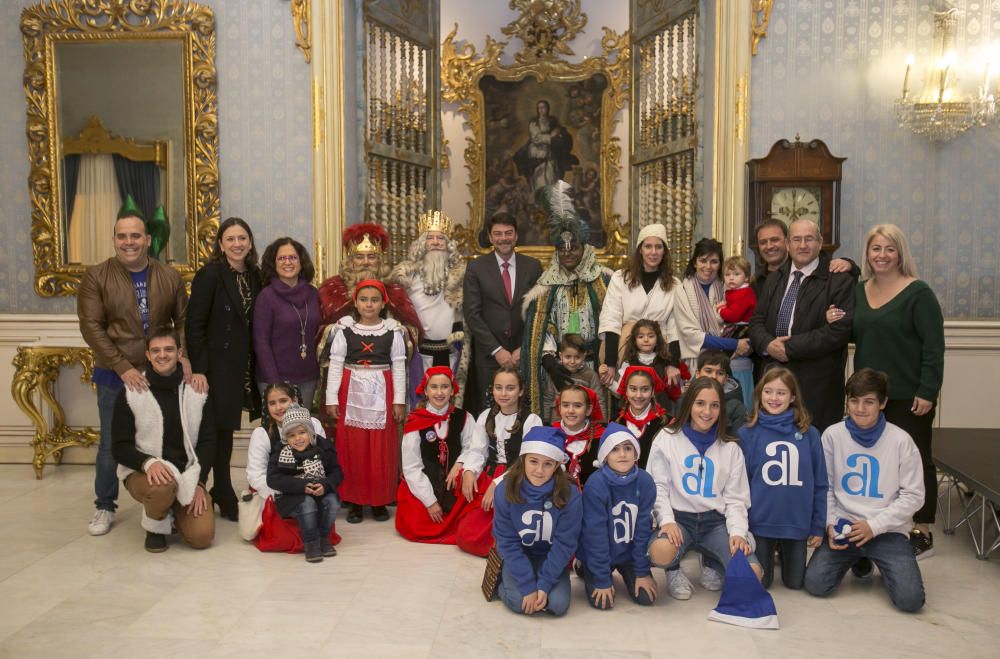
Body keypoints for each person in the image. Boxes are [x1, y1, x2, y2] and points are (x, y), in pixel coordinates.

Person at [827, 224, 944, 558]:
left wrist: (928, 390)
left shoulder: (919, 293)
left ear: (900, 254)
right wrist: (833, 318)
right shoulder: (860, 291)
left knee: (917, 460)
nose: (882, 255)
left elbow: (934, 347)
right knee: (876, 461)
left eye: (889, 249)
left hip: (910, 394)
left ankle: (921, 528)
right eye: (876, 249)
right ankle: (881, 527)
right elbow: (855, 332)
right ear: (867, 254)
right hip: (869, 396)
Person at [78, 208, 192, 536]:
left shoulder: (168, 276)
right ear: (114, 240)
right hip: (115, 375)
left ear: (148, 239)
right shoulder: (96, 276)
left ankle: (164, 499)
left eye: (135, 235)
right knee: (112, 443)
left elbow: (182, 322)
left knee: (167, 436)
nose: (129, 242)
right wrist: (123, 367)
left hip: (160, 373)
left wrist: (181, 358)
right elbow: (92, 327)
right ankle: (104, 506)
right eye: (122, 236)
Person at [803, 369, 926, 613]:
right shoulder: (832, 435)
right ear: (847, 402)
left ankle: (870, 557)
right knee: (815, 585)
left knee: (910, 601)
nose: (860, 409)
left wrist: (875, 526)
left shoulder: (901, 441)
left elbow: (914, 496)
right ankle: (859, 558)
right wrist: (830, 523)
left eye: (869, 402)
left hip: (887, 530)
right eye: (854, 401)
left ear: (883, 403)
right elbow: (824, 486)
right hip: (844, 527)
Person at [646, 377, 762, 600]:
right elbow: (658, 486)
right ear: (689, 404)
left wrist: (737, 532)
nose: (707, 411)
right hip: (680, 519)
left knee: (752, 574)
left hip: (715, 522)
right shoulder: (667, 438)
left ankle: (712, 561)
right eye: (700, 403)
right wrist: (667, 520)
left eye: (714, 405)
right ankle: (674, 569)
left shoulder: (731, 448)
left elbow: (736, 498)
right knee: (661, 552)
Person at [185, 217, 262, 521]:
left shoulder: (256, 276)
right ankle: (215, 487)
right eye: (230, 239)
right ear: (220, 244)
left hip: (244, 364)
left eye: (242, 238)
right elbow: (194, 325)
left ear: (250, 242)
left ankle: (220, 486)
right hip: (217, 365)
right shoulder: (210, 275)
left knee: (227, 427)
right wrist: (200, 368)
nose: (237, 244)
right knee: (216, 428)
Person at [749, 219, 858, 432]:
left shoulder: (839, 280)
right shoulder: (774, 279)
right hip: (775, 383)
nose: (802, 245)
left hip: (817, 387)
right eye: (797, 239)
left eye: (809, 239)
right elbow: (756, 322)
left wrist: (787, 349)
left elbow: (838, 332)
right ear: (788, 244)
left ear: (820, 242)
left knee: (815, 450)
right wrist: (768, 344)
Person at [111, 330, 214, 552]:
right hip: (146, 473)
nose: (162, 355)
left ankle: (174, 510)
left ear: (179, 353)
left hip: (186, 473)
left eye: (168, 350)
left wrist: (200, 483)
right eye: (156, 351)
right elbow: (119, 447)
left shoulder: (196, 390)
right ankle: (155, 525)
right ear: (148, 355)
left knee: (202, 537)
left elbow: (208, 441)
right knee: (162, 486)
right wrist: (148, 462)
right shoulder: (132, 392)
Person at [522, 181, 613, 415]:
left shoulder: (603, 280)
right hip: (560, 370)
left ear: (583, 247)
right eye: (562, 249)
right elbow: (544, 328)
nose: (567, 253)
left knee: (594, 417)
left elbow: (612, 324)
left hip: (594, 368)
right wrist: (551, 363)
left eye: (573, 248)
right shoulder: (546, 285)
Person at [324, 279, 407, 524]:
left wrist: (399, 401)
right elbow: (336, 366)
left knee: (382, 447)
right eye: (364, 299)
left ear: (383, 303)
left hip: (383, 390)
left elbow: (400, 367)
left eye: (374, 300)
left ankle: (380, 500)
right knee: (353, 448)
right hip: (351, 391)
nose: (369, 304)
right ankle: (356, 501)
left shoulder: (393, 332)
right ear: (356, 303)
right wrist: (331, 398)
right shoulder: (344, 331)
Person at [738, 367, 827, 589]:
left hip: (796, 522)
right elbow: (740, 483)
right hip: (760, 522)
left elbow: (820, 483)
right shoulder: (747, 433)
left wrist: (817, 526)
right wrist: (743, 523)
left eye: (781, 393)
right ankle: (768, 554)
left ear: (793, 397)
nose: (774, 398)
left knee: (795, 583)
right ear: (759, 395)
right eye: (768, 391)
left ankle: (784, 555)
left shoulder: (809, 433)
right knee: (762, 582)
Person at [492, 426, 583, 616]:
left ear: (558, 465)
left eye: (548, 464)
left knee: (557, 604)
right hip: (519, 554)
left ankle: (538, 582)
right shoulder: (504, 490)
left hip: (549, 556)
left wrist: (544, 584)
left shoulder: (570, 493)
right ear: (523, 459)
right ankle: (502, 583)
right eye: (533, 461)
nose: (539, 471)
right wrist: (527, 586)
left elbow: (565, 543)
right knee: (519, 602)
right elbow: (507, 542)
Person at [395, 367, 488, 544]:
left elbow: (473, 448)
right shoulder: (415, 422)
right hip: (425, 485)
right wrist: (429, 501)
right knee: (418, 525)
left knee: (475, 487)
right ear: (425, 390)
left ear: (452, 390)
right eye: (434, 387)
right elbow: (411, 467)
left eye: (445, 387)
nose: (439, 392)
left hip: (454, 486)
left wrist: (459, 464)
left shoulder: (464, 417)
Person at [456, 366, 542, 557]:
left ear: (520, 391)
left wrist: (497, 484)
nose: (503, 393)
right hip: (491, 472)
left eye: (510, 388)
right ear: (492, 390)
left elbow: (527, 459)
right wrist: (470, 471)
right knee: (467, 535)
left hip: (519, 476)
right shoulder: (486, 416)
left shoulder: (531, 420)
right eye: (498, 387)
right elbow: (478, 450)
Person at [464, 211, 542, 413]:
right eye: (498, 234)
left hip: (522, 354)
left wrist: (523, 348)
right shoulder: (476, 268)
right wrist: (497, 350)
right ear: (490, 238)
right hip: (490, 356)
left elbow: (538, 312)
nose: (503, 238)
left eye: (508, 233)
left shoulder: (533, 267)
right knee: (489, 410)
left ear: (516, 236)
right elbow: (472, 314)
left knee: (524, 408)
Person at [246, 383, 340, 552]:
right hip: (277, 491)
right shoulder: (262, 434)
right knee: (287, 538)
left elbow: (327, 464)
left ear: (295, 400)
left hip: (314, 486)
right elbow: (256, 476)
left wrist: (320, 486)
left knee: (326, 505)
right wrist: (290, 489)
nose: (278, 407)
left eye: (283, 400)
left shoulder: (314, 425)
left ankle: (322, 538)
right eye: (272, 403)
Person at [390, 210, 470, 406]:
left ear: (448, 244)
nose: (435, 242)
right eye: (430, 238)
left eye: (440, 239)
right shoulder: (406, 277)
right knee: (418, 404)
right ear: (421, 244)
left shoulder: (462, 275)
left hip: (451, 352)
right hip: (419, 354)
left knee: (449, 405)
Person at [577, 423, 658, 609]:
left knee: (647, 598)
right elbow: (595, 535)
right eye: (615, 449)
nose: (622, 454)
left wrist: (642, 571)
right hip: (598, 552)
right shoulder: (595, 485)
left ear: (636, 453)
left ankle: (626, 569)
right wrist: (602, 578)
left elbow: (642, 529)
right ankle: (585, 566)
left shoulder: (645, 482)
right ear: (605, 456)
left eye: (628, 448)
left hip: (628, 553)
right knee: (603, 603)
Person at [598, 223, 683, 391]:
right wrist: (610, 362)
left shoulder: (674, 285)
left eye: (658, 247)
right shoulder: (620, 278)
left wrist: (673, 364)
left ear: (664, 251)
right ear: (640, 250)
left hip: (660, 353)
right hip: (624, 350)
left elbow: (676, 326)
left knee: (657, 399)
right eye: (648, 246)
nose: (653, 252)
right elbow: (611, 318)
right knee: (626, 397)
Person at [266, 405, 343, 563]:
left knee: (332, 502)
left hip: (320, 490)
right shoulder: (281, 451)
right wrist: (301, 486)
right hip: (292, 496)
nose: (298, 439)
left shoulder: (323, 447)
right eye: (292, 435)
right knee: (307, 503)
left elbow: (337, 473)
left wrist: (325, 485)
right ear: (286, 437)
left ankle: (323, 538)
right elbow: (273, 478)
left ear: (310, 432)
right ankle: (311, 543)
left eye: (302, 432)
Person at [253, 238, 321, 409]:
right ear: (273, 264)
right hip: (275, 378)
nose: (287, 262)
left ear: (301, 261)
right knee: (279, 433)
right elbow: (261, 342)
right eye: (281, 258)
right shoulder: (266, 297)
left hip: (308, 378)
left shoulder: (314, 294)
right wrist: (275, 383)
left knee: (302, 431)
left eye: (293, 257)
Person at [674, 238, 752, 374]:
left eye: (714, 261)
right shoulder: (682, 290)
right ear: (694, 262)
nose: (708, 267)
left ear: (720, 264)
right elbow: (691, 335)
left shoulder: (728, 288)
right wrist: (734, 344)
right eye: (703, 260)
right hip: (696, 362)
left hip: (727, 363)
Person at [751, 219, 856, 298]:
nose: (769, 246)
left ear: (787, 242)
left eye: (775, 240)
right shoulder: (756, 281)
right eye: (763, 242)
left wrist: (851, 265)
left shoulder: (809, 268)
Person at [611, 319, 686, 414]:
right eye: (641, 336)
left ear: (657, 339)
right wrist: (608, 383)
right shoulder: (629, 363)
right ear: (634, 340)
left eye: (650, 336)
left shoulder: (665, 362)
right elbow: (620, 391)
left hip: (661, 412)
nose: (646, 340)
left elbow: (674, 389)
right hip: (634, 413)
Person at [513, 99, 579, 192]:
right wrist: (551, 136)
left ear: (548, 109)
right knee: (539, 179)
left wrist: (559, 136)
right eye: (539, 108)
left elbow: (559, 132)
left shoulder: (553, 121)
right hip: (537, 152)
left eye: (543, 107)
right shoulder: (534, 123)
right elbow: (536, 138)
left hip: (551, 152)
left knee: (551, 176)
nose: (541, 110)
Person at [717, 255, 757, 406]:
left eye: (736, 274)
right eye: (727, 275)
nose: (731, 278)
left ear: (746, 278)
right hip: (736, 326)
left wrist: (721, 310)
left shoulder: (745, 293)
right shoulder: (734, 291)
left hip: (743, 328)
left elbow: (734, 315)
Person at [614, 365, 671, 471]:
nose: (638, 395)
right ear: (626, 390)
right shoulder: (616, 422)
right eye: (633, 389)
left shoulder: (666, 423)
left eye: (645, 389)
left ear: (652, 391)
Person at [541, 333, 602, 424]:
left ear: (584, 356)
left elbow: (599, 399)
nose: (572, 362)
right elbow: (547, 398)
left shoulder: (591, 375)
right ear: (561, 356)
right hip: (556, 422)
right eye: (568, 357)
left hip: (581, 424)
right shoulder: (555, 374)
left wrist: (601, 422)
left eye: (577, 357)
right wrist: (545, 421)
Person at [553, 384, 606, 487]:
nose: (570, 410)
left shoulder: (601, 437)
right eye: (565, 405)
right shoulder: (551, 436)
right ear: (559, 408)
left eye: (577, 406)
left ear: (588, 410)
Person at [695, 350, 748, 436]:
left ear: (726, 378)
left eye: (720, 373)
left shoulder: (737, 408)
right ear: (697, 374)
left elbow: (737, 443)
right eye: (708, 371)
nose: (714, 377)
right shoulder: (685, 400)